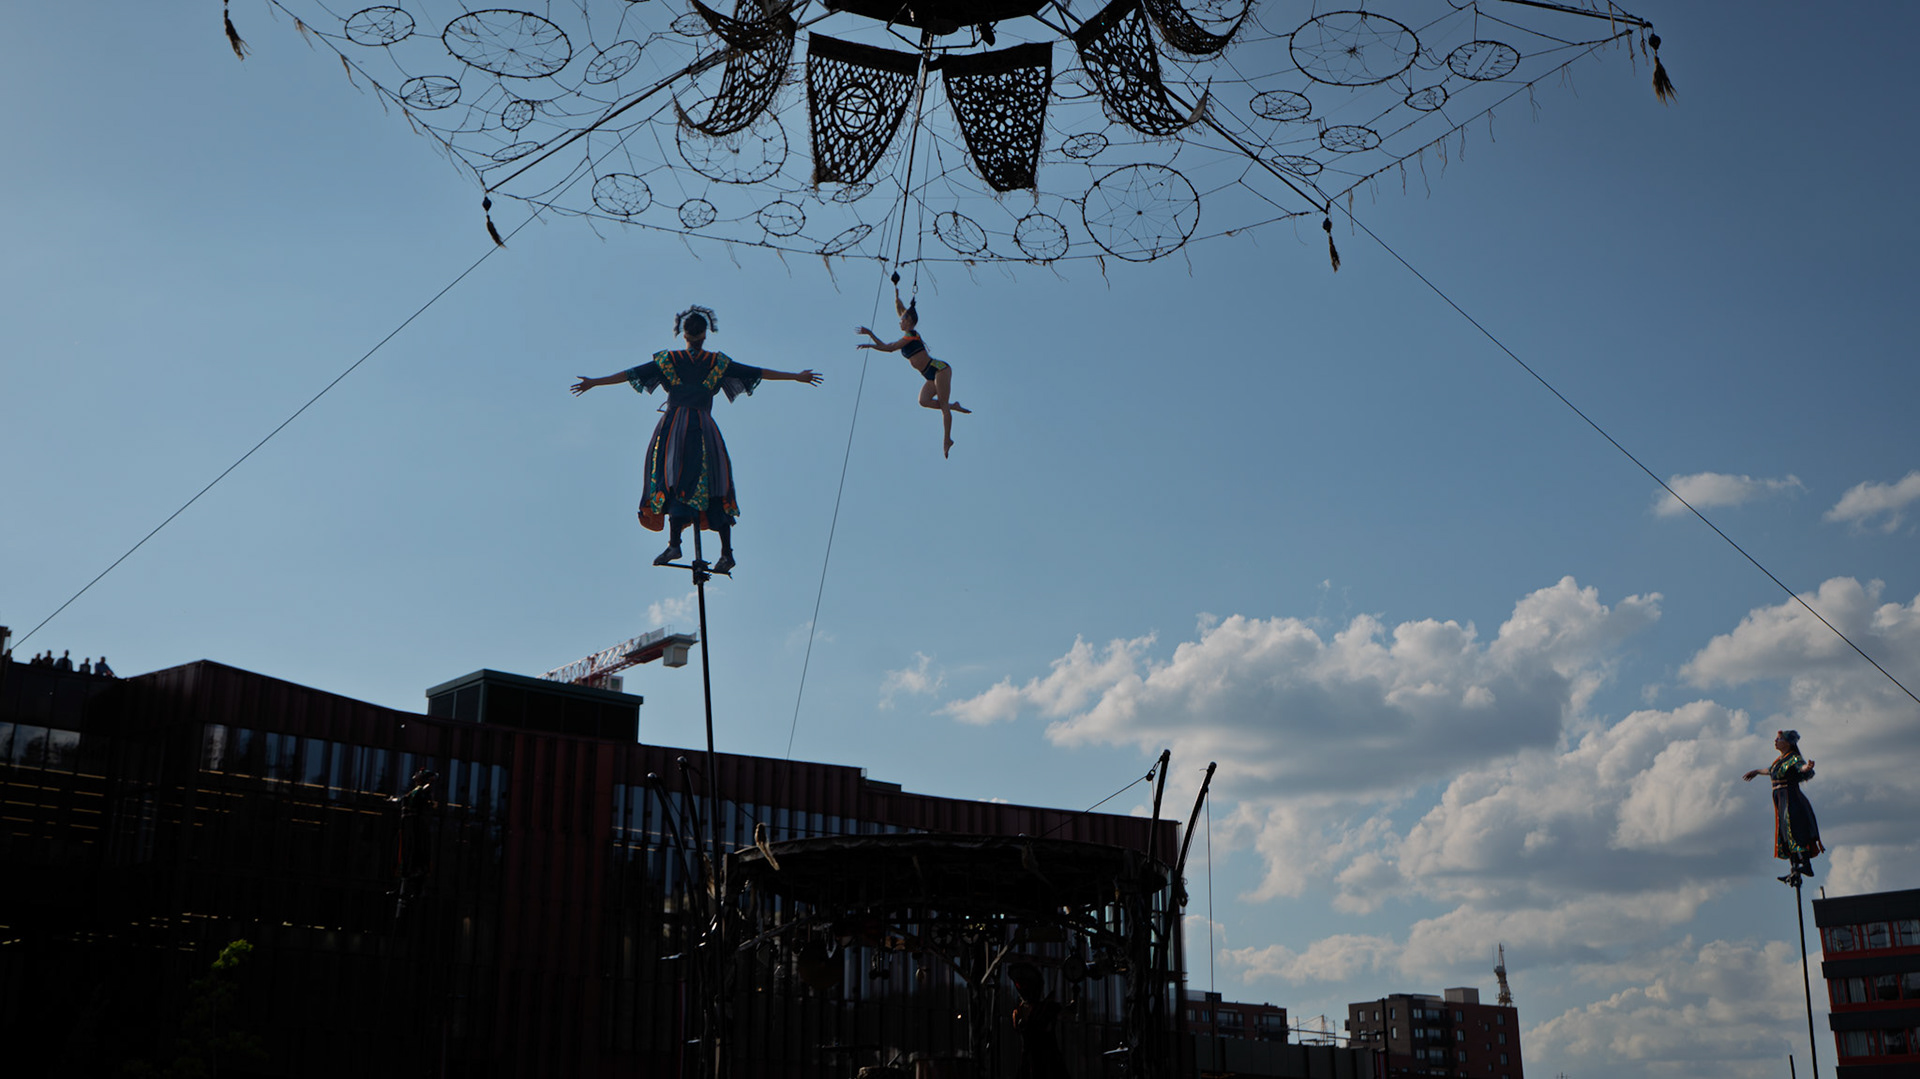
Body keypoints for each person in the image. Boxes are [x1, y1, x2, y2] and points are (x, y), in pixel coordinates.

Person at [573, 305, 822, 575]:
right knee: (715, 482)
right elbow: (758, 372)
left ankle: (675, 543)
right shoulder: (717, 363)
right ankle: (726, 552)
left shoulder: (669, 360)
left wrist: (595, 382)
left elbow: (629, 374)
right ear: (705, 335)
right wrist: (796, 376)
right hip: (704, 428)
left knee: (674, 478)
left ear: (684, 334)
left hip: (674, 428)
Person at [858, 288, 971, 458]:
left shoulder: (911, 335)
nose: (899, 322)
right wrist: (896, 296)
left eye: (902, 320)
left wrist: (870, 340)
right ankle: (953, 405)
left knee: (943, 407)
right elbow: (900, 312)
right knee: (923, 401)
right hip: (929, 375)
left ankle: (947, 439)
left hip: (939, 369)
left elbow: (889, 348)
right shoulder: (907, 333)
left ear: (909, 320)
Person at [1743, 729, 1823, 885]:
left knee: (1795, 831)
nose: (1775, 741)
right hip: (1782, 802)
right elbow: (1770, 770)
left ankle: (1806, 865)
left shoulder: (1794, 758)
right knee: (1785, 834)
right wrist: (1756, 771)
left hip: (1792, 801)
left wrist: (1807, 767)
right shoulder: (1779, 761)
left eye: (1779, 739)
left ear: (1788, 743)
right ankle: (1794, 869)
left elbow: (1801, 767)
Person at [1007, 962, 1070, 1079]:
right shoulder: (1020, 1011)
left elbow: (1065, 1013)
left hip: (1045, 1059)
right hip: (1032, 1060)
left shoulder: (1046, 1008)